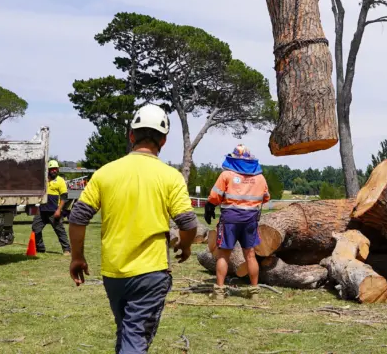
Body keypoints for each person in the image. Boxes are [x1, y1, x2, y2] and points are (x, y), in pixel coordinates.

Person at [68, 104, 198, 354]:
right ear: (164, 140)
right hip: (151, 273)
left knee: (127, 331)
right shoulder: (171, 177)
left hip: (113, 273)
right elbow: (188, 224)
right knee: (135, 337)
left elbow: (78, 217)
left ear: (131, 136)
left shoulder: (106, 173)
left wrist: (77, 256)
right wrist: (185, 245)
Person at [205, 144, 270, 300]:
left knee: (224, 255)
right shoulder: (260, 177)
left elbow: (215, 197)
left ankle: (219, 292)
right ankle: (254, 292)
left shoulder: (226, 175)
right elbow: (266, 197)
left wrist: (210, 207)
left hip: (230, 219)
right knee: (250, 255)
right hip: (250, 219)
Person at [32, 160, 71, 255]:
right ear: (48, 170)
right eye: (52, 169)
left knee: (60, 230)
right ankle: (40, 248)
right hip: (41, 210)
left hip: (54, 211)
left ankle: (66, 249)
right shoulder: (44, 180)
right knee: (35, 228)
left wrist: (59, 210)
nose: (54, 171)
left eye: (55, 169)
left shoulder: (60, 181)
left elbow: (64, 197)